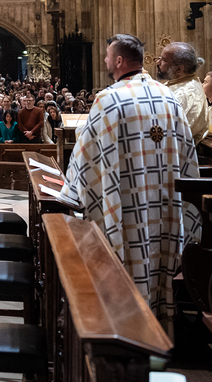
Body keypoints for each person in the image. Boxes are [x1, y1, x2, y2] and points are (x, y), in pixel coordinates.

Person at [60, 34, 200, 331]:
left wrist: (69, 192)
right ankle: (160, 328)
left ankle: (126, 329)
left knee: (126, 259)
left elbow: (84, 159)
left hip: (125, 204)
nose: (105, 61)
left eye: (108, 56)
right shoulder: (168, 97)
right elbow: (187, 155)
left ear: (119, 61)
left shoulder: (109, 99)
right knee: (159, 263)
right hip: (164, 205)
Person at [156, 42, 209, 144]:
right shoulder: (179, 83)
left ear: (179, 69)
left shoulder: (189, 94)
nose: (158, 62)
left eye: (164, 60)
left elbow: (172, 134)